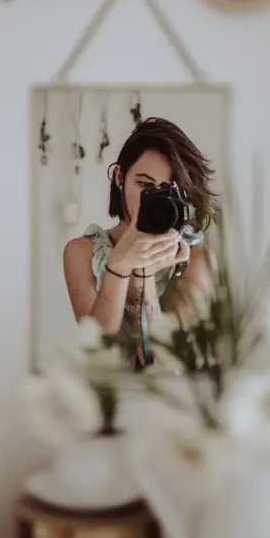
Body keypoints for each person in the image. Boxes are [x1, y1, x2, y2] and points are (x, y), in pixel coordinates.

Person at [63, 117, 218, 365]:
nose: (153, 199)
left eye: (167, 191)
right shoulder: (82, 252)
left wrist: (144, 276)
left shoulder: (197, 260)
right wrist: (119, 264)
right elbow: (97, 352)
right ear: (119, 177)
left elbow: (164, 366)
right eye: (144, 185)